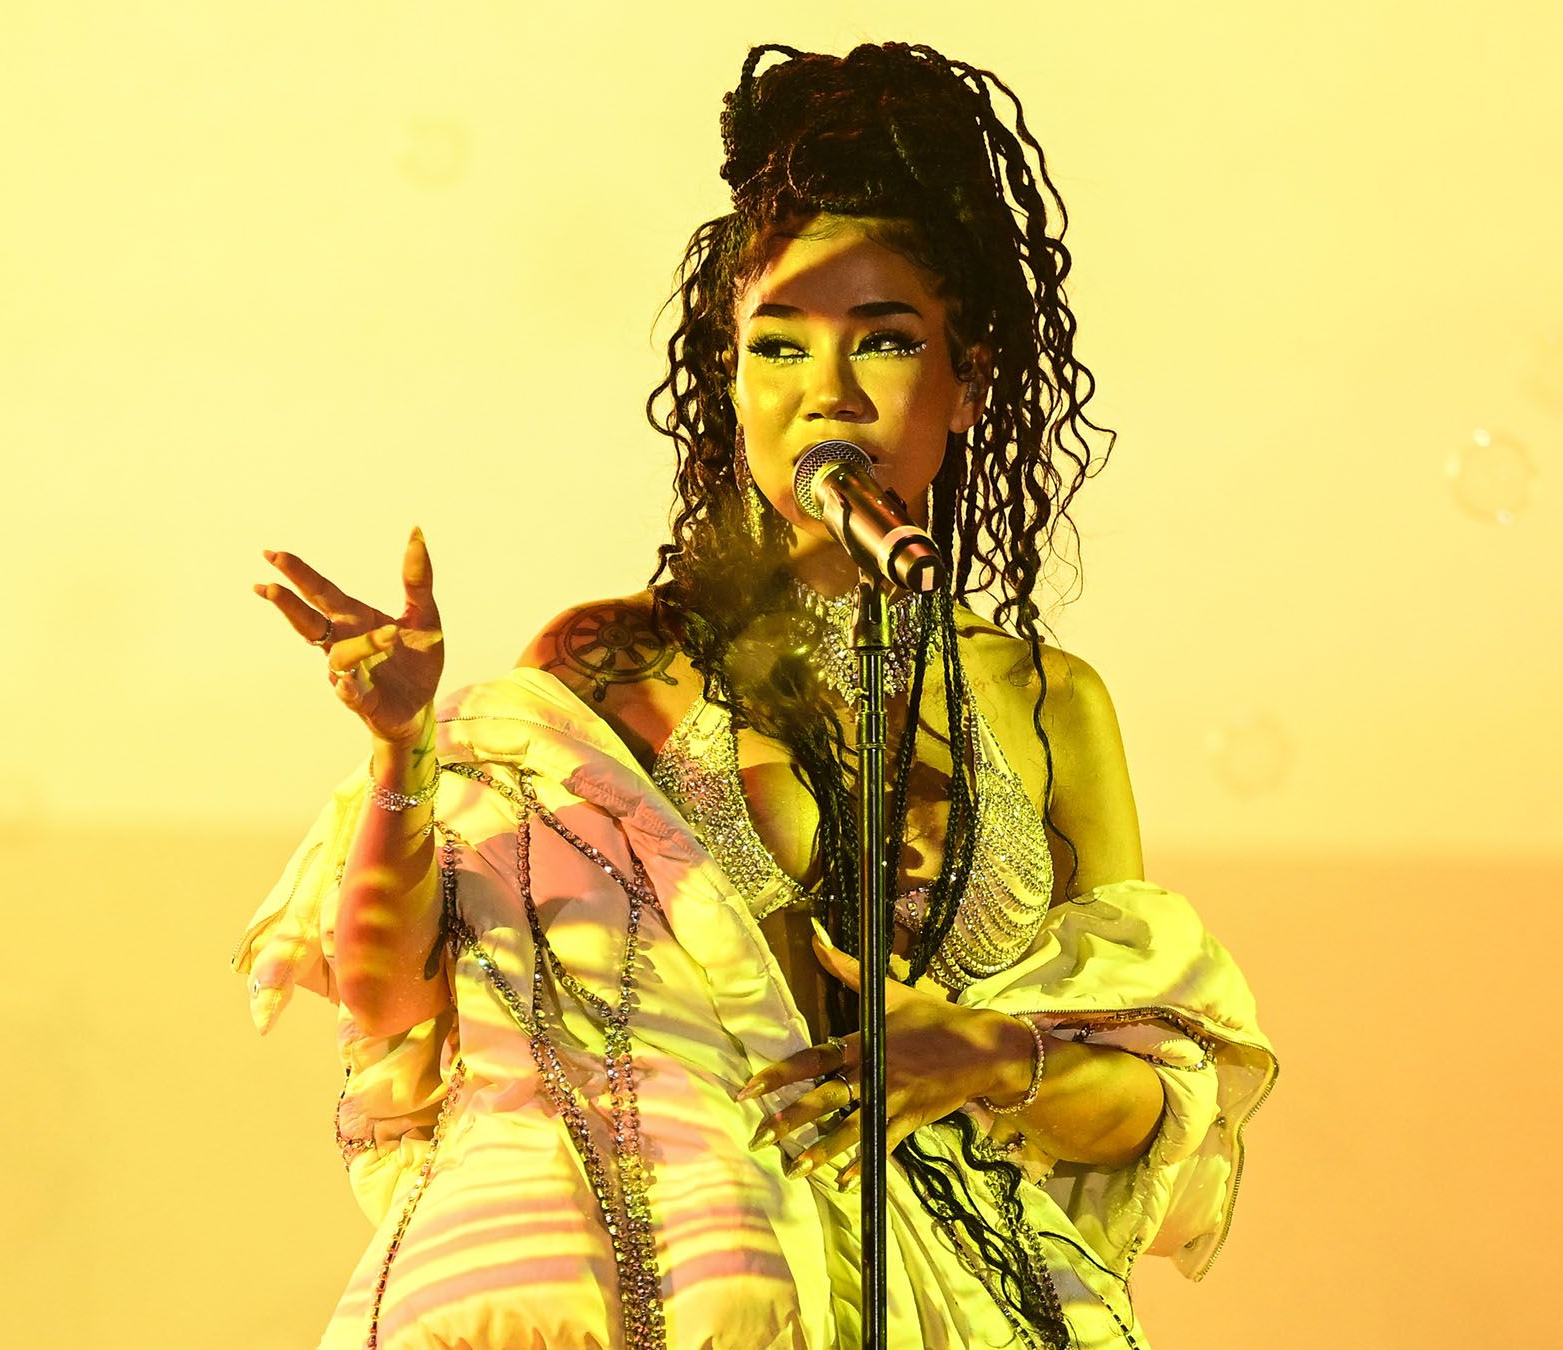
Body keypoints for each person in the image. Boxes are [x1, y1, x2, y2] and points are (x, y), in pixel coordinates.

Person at [232, 41, 1278, 1350]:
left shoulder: (1050, 704)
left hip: (982, 1303)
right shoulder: (612, 670)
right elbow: (394, 999)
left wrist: (986, 1057)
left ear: (967, 378)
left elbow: (1155, 1096)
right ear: (729, 379)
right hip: (714, 1292)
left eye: (882, 341)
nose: (823, 392)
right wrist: (401, 750)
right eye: (777, 345)